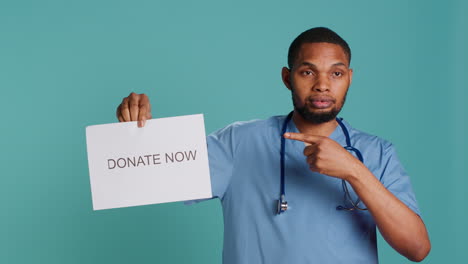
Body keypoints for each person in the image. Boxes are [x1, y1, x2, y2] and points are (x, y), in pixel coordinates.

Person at [115, 27, 431, 263]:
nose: (322, 84)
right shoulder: (239, 143)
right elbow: (152, 178)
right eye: (308, 71)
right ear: (287, 77)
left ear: (349, 77)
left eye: (335, 73)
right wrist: (139, 132)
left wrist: (355, 172)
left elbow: (416, 249)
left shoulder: (376, 153)